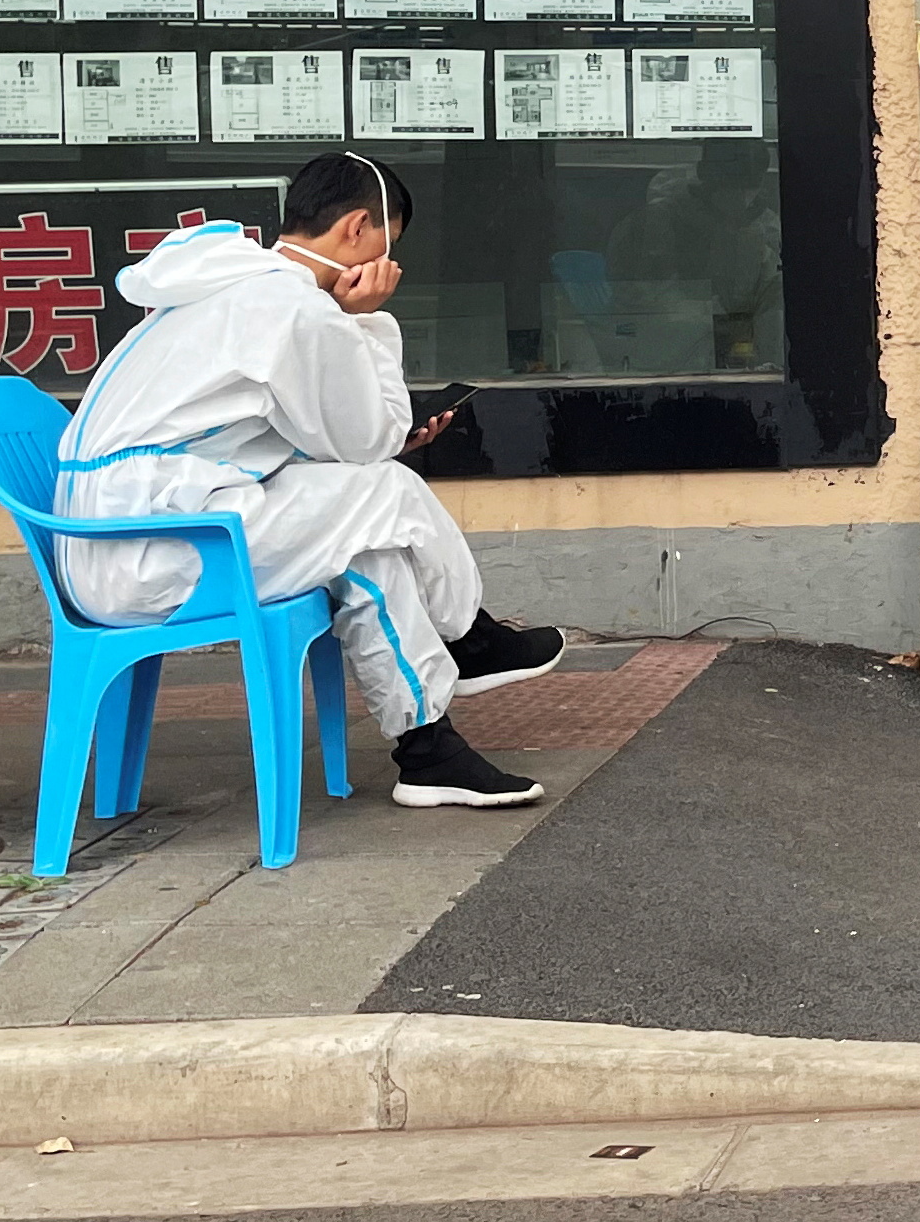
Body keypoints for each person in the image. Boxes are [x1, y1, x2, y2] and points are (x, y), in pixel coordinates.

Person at [54, 152, 564, 809]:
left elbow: (284, 433)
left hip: (131, 529)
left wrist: (376, 428)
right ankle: (466, 636)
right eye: (389, 244)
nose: (390, 264)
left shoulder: (227, 284)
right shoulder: (293, 306)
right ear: (356, 228)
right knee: (389, 491)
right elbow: (368, 440)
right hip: (155, 549)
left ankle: (427, 750)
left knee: (367, 547)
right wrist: (367, 320)